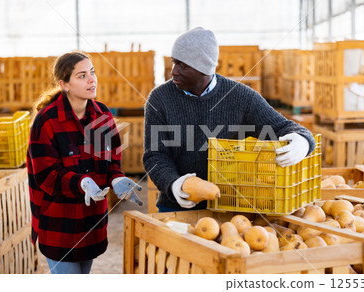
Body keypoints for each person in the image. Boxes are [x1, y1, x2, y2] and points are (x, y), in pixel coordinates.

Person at [143, 27, 315, 212]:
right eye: (173, 62)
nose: (173, 71)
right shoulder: (159, 99)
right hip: (177, 204)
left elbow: (283, 127)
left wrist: (303, 141)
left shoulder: (241, 97)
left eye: (182, 65)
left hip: (230, 207)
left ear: (204, 67)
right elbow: (155, 155)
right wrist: (173, 184)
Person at [27, 51, 142, 274]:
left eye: (92, 72)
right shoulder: (47, 121)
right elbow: (45, 175)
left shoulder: (103, 116)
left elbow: (112, 161)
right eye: (81, 75)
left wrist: (117, 177)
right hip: (60, 225)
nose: (91, 79)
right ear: (64, 84)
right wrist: (81, 183)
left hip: (92, 224)